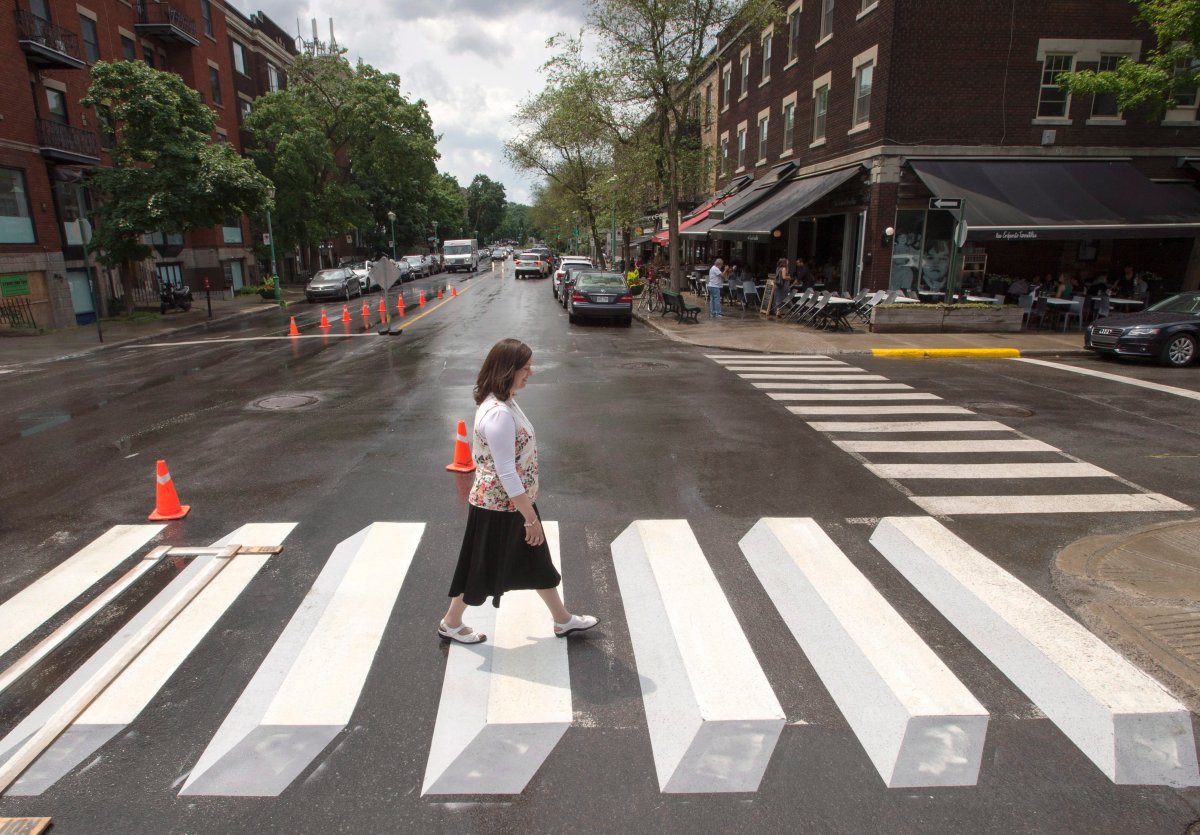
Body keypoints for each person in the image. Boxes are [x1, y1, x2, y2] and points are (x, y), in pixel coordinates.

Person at [439, 339, 599, 644]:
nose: (531, 372)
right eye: (525, 368)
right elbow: (506, 471)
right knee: (480, 567)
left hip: (507, 502)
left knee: (533, 561)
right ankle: (451, 621)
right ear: (507, 370)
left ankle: (562, 620)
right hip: (501, 505)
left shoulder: (503, 400)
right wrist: (530, 518)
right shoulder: (499, 414)